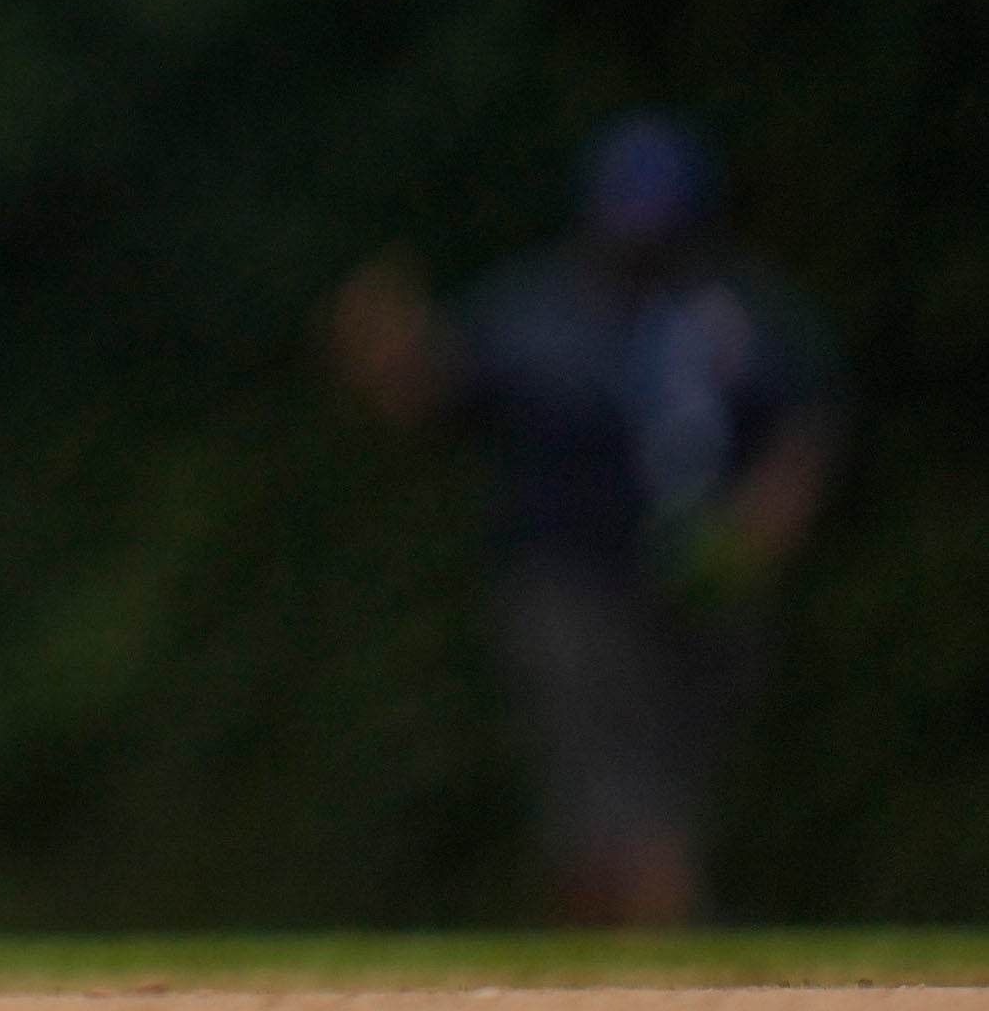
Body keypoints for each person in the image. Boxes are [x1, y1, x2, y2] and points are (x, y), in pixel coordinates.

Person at [331, 112, 842, 927]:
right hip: (567, 582)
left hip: (701, 587)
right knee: (606, 781)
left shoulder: (743, 316)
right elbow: (442, 397)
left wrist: (769, 515)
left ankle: (623, 954)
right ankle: (657, 953)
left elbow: (806, 419)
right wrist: (389, 351)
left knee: (654, 787)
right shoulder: (539, 309)